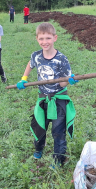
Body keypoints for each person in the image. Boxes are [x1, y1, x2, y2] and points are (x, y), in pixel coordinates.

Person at [16, 22, 78, 168]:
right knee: (39, 126)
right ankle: (39, 149)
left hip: (58, 100)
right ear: (37, 39)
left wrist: (69, 81)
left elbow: (62, 83)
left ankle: (58, 160)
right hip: (43, 98)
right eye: (42, 39)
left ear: (55, 38)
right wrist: (24, 79)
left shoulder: (62, 59)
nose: (45, 42)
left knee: (58, 131)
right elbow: (30, 65)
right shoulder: (36, 56)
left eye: (48, 38)